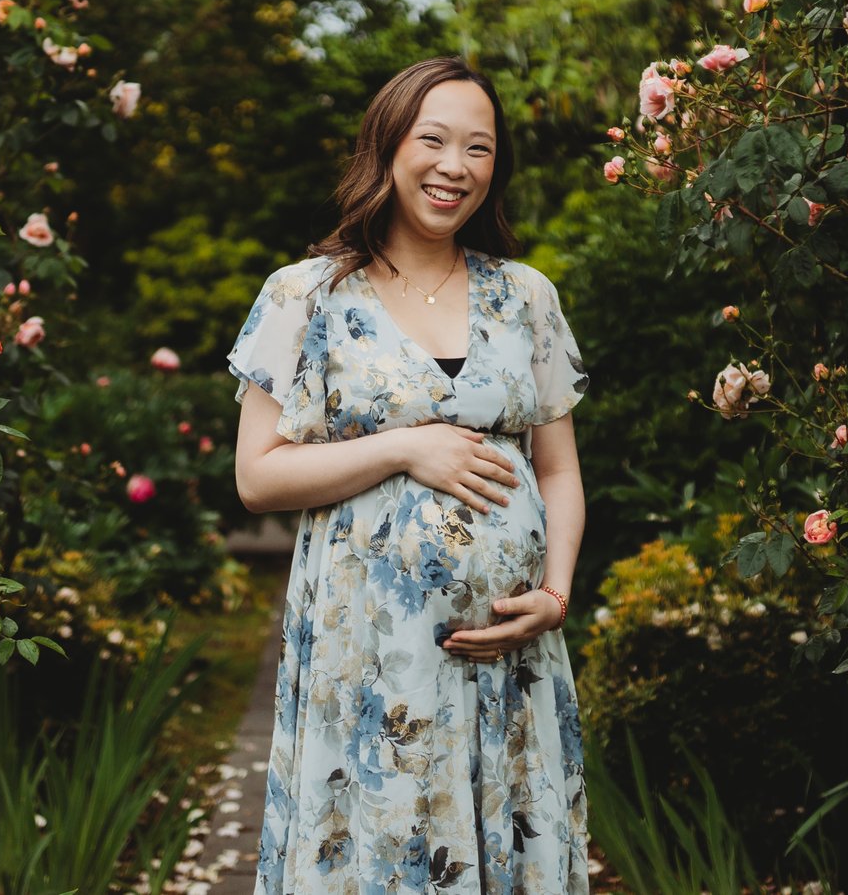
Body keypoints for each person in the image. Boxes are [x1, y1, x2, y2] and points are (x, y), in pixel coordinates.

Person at [229, 56, 590, 894]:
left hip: (511, 662)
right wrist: (403, 447)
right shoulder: (304, 297)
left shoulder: (526, 296)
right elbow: (257, 476)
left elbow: (561, 470)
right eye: (433, 139)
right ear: (388, 146)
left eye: (480, 147)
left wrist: (557, 594)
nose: (455, 165)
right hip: (368, 666)